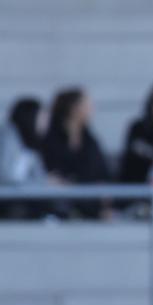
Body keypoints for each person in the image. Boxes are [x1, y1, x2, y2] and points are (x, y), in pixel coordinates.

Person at [0, 97, 53, 219]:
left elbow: (38, 178)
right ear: (31, 116)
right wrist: (43, 184)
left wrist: (46, 183)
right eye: (43, 118)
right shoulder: (2, 138)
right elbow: (2, 180)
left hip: (19, 198)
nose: (46, 124)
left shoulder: (31, 145)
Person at [41, 88, 113, 220]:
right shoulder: (50, 139)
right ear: (73, 108)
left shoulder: (90, 141)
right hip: (61, 201)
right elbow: (50, 173)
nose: (91, 109)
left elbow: (102, 173)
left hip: (89, 200)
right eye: (86, 105)